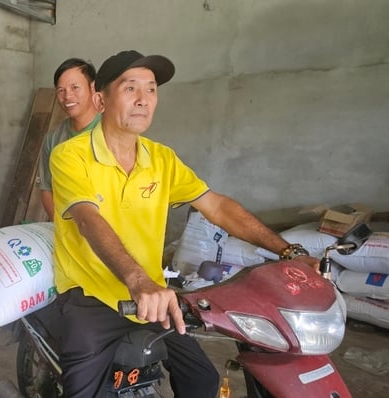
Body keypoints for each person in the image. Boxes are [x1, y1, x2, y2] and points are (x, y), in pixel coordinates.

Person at [49, 50, 320, 398]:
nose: (143, 100)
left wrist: (288, 251)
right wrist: (138, 281)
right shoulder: (71, 156)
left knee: (202, 379)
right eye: (130, 88)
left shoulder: (161, 159)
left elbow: (218, 207)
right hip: (90, 297)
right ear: (100, 99)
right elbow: (88, 219)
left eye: (151, 90)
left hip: (153, 297)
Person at [37, 58, 101, 220]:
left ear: (93, 88)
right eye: (61, 90)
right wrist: (63, 227)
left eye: (75, 88)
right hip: (69, 231)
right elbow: (47, 188)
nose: (67, 96)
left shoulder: (110, 131)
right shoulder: (53, 139)